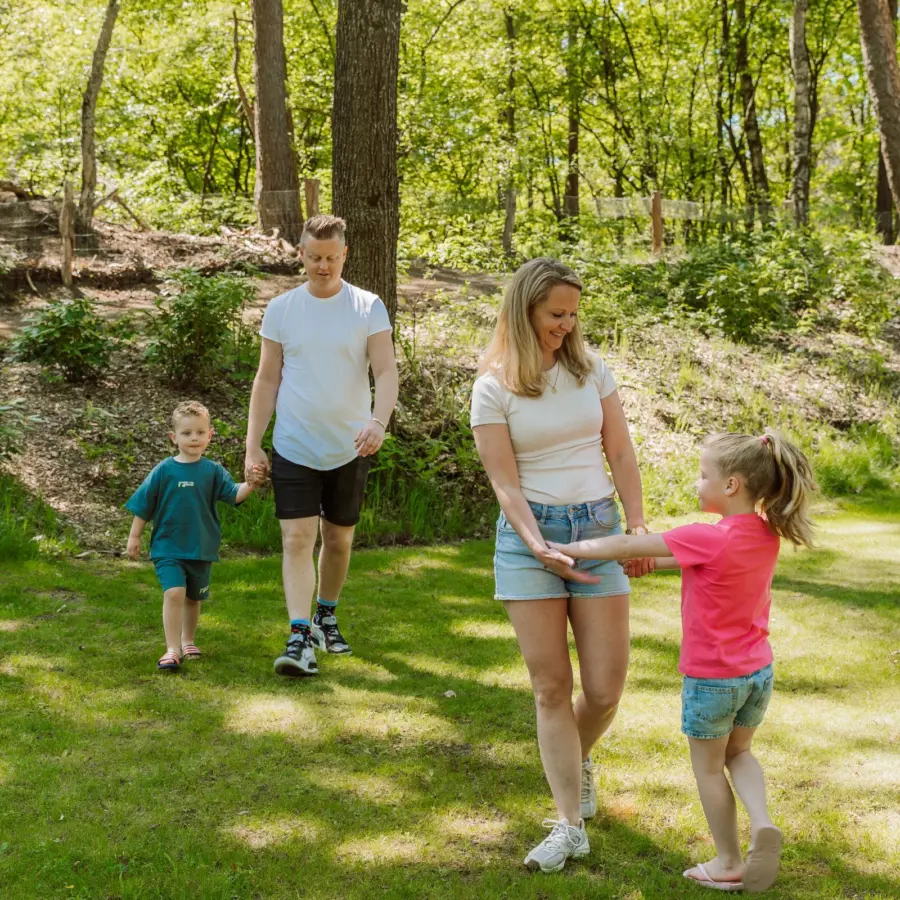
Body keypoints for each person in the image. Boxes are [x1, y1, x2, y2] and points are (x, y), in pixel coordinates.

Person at [553, 430, 816, 893]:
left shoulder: (706, 536)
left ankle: (730, 860)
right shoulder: (764, 534)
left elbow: (625, 546)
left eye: (703, 475)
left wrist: (567, 550)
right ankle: (761, 821)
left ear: (731, 485)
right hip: (757, 673)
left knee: (710, 768)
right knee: (740, 753)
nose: (697, 483)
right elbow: (712, 562)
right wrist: (664, 563)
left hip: (713, 680)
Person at [470, 257, 652, 873]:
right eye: (556, 314)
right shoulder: (493, 384)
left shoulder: (591, 369)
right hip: (529, 539)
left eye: (574, 313)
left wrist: (638, 527)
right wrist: (536, 544)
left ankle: (578, 758)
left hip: (598, 528)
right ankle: (568, 823)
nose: (567, 325)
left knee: (603, 689)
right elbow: (505, 484)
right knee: (552, 686)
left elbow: (620, 449)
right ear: (524, 311)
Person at [244, 214, 399, 677]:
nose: (323, 267)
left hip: (350, 446)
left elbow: (386, 372)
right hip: (294, 443)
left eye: (331, 258)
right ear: (301, 255)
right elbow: (267, 379)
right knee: (296, 538)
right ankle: (298, 634)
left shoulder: (368, 306)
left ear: (344, 255)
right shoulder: (281, 310)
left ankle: (325, 614)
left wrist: (379, 422)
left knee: (338, 538)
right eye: (314, 258)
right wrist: (254, 446)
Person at [126, 400, 265, 671]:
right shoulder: (164, 470)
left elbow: (233, 494)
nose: (194, 438)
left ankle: (188, 640)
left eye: (200, 432)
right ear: (173, 437)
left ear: (210, 435)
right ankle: (171, 649)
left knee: (193, 597)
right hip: (168, 547)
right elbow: (143, 505)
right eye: (187, 433)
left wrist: (251, 483)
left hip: (201, 547)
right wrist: (134, 537)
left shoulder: (212, 471)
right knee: (175, 592)